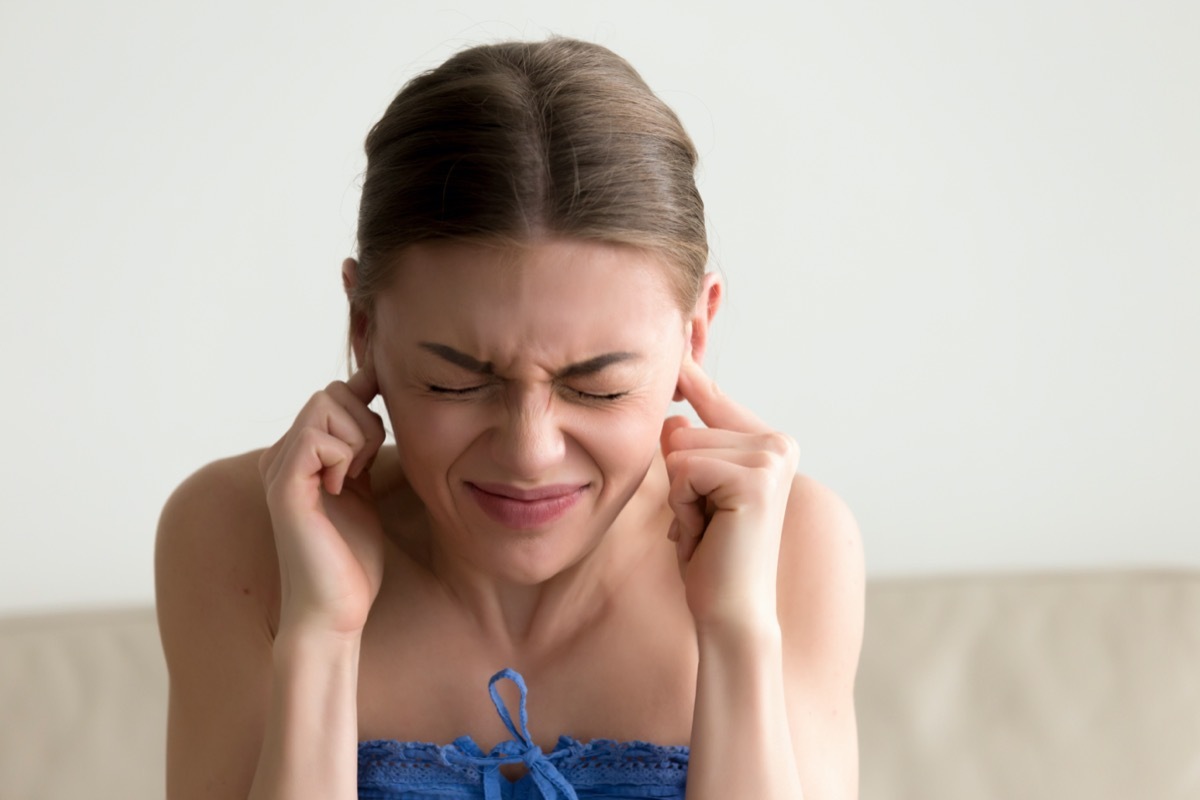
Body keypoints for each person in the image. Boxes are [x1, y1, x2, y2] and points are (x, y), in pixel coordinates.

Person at [155, 37, 864, 800]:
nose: (530, 451)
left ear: (696, 331)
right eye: (454, 382)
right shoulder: (238, 536)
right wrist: (321, 640)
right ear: (363, 327)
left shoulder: (792, 544)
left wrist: (735, 633)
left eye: (597, 387)